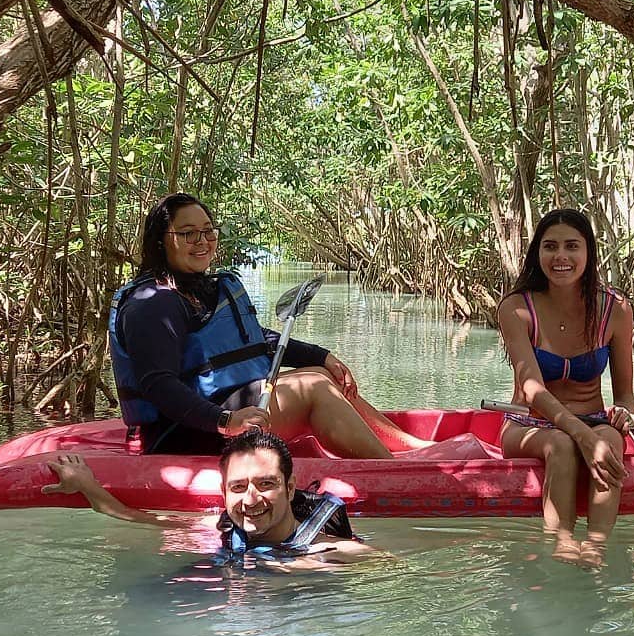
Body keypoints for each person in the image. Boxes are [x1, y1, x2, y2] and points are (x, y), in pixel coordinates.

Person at [110, 192, 429, 458]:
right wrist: (226, 421)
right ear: (160, 241)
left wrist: (321, 356)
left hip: (221, 409)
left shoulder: (199, 288)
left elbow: (252, 341)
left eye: (208, 231)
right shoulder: (151, 304)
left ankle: (408, 448)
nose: (202, 241)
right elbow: (158, 386)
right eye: (187, 233)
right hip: (183, 433)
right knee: (313, 387)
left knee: (320, 373)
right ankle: (389, 470)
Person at [496, 208, 634, 567]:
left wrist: (627, 414)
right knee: (561, 444)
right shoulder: (516, 308)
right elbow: (532, 389)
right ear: (538, 253)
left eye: (572, 246)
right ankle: (560, 541)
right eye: (550, 247)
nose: (561, 256)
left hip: (594, 420)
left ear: (589, 252)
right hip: (529, 425)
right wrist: (581, 436)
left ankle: (596, 545)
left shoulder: (616, 309)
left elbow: (625, 395)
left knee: (611, 441)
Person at [42, 430, 374, 568]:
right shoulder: (214, 531)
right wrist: (85, 485)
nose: (251, 499)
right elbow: (133, 516)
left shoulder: (334, 552)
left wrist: (306, 570)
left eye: (266, 484)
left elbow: (394, 573)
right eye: (238, 487)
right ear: (224, 492)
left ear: (289, 488)